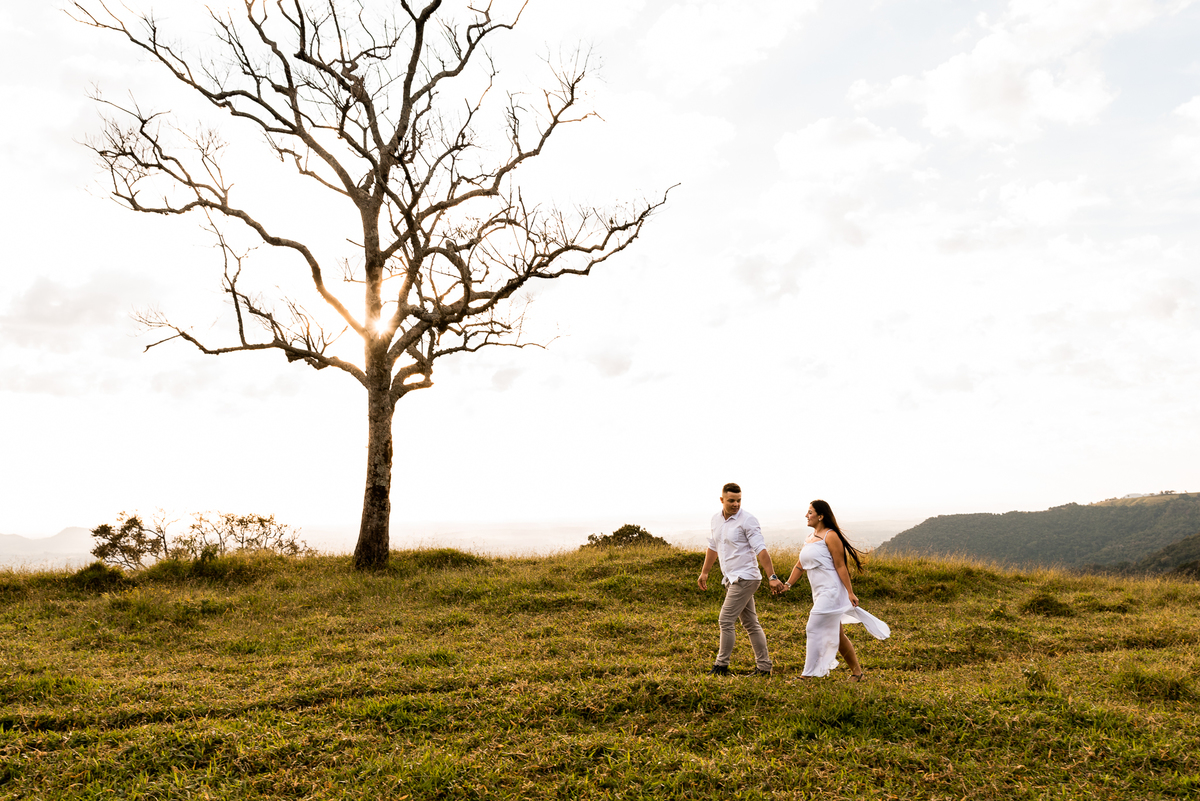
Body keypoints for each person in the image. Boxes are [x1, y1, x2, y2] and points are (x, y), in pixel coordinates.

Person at [780, 499, 890, 680]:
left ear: (821, 516)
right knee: (837, 635)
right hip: (819, 593)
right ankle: (857, 673)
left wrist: (850, 591)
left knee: (813, 628)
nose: (806, 515)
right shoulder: (810, 538)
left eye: (810, 512)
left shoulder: (830, 536)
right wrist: (788, 585)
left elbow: (840, 566)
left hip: (831, 591)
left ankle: (809, 675)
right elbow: (800, 565)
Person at [697, 482, 786, 676]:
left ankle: (721, 666)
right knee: (751, 624)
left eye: (738, 500)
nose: (736, 504)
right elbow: (714, 546)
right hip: (731, 578)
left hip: (746, 578)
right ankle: (764, 668)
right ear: (722, 500)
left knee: (725, 620)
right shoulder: (716, 520)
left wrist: (772, 576)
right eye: (731, 501)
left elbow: (761, 549)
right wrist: (705, 572)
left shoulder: (748, 520)